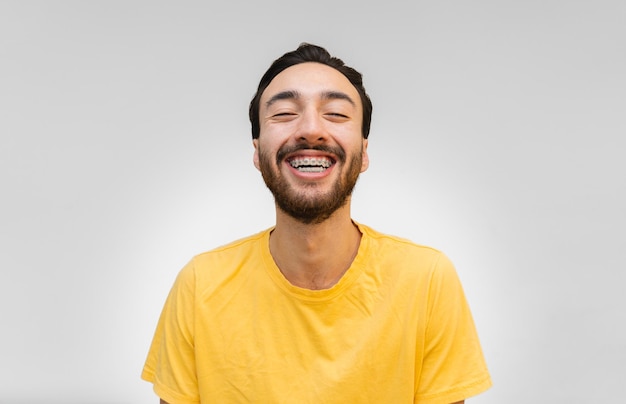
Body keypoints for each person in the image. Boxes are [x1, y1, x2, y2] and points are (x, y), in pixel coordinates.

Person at [142, 43, 492, 404]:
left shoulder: (427, 280)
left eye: (336, 114)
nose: (311, 129)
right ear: (258, 153)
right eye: (285, 113)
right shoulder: (200, 285)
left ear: (364, 152)